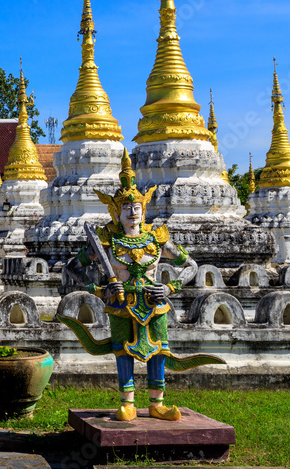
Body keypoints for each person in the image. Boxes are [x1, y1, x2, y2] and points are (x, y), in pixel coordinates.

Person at [60, 150, 220, 422]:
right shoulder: (107, 241)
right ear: (116, 211)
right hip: (121, 305)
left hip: (154, 304)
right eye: (126, 207)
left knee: (158, 349)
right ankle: (128, 403)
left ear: (143, 210)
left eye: (137, 208)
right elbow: (72, 268)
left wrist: (170, 288)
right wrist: (98, 290)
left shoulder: (156, 239)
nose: (132, 212)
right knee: (123, 350)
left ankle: (157, 404)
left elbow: (191, 265)